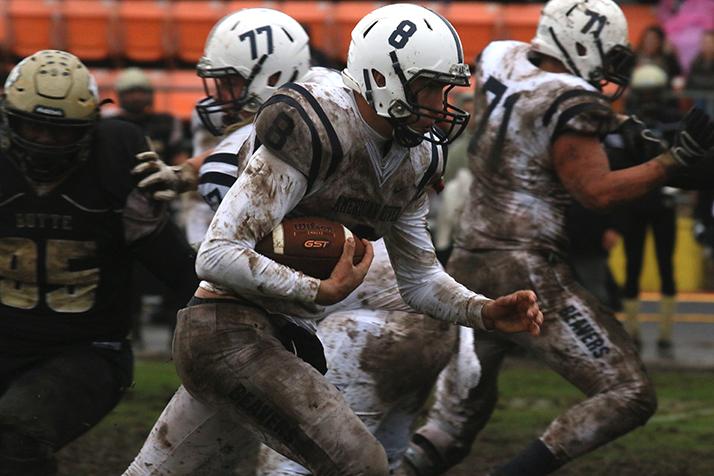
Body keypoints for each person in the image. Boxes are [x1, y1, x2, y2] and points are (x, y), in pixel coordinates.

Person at [130, 4, 544, 476]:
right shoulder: (318, 122)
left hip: (280, 335)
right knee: (361, 462)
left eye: (444, 89)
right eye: (430, 87)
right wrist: (315, 290)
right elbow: (217, 254)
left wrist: (482, 310)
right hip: (226, 331)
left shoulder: (415, 159)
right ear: (386, 78)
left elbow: (421, 280)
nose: (440, 103)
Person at [404, 0, 714, 475]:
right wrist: (672, 162)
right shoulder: (572, 99)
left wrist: (628, 135)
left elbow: (532, 125)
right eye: (607, 53)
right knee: (629, 393)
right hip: (526, 271)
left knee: (453, 425)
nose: (610, 69)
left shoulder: (498, 57)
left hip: (467, 262)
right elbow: (596, 193)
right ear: (580, 42)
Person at [0, 50, 198, 476]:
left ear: (91, 128)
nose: (43, 141)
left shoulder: (115, 161)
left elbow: (178, 270)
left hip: (87, 351)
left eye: (59, 131)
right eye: (32, 126)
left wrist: (152, 231)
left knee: (16, 434)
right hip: (6, 339)